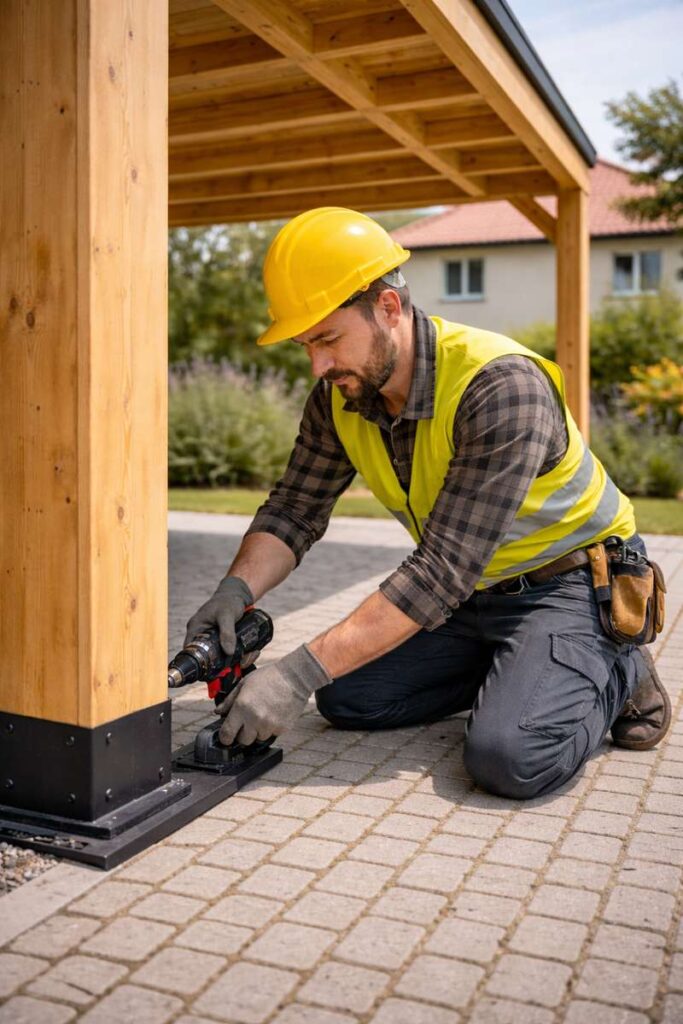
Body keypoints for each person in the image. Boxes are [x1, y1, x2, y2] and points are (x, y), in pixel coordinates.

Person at [184, 207, 670, 799]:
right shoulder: (342, 394)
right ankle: (520, 669)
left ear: (388, 308)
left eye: (329, 339)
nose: (318, 365)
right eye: (306, 344)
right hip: (474, 594)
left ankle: (616, 664)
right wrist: (235, 592)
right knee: (349, 697)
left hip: (570, 585)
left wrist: (295, 673)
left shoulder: (499, 386)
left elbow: (439, 572)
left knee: (507, 759)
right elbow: (294, 508)